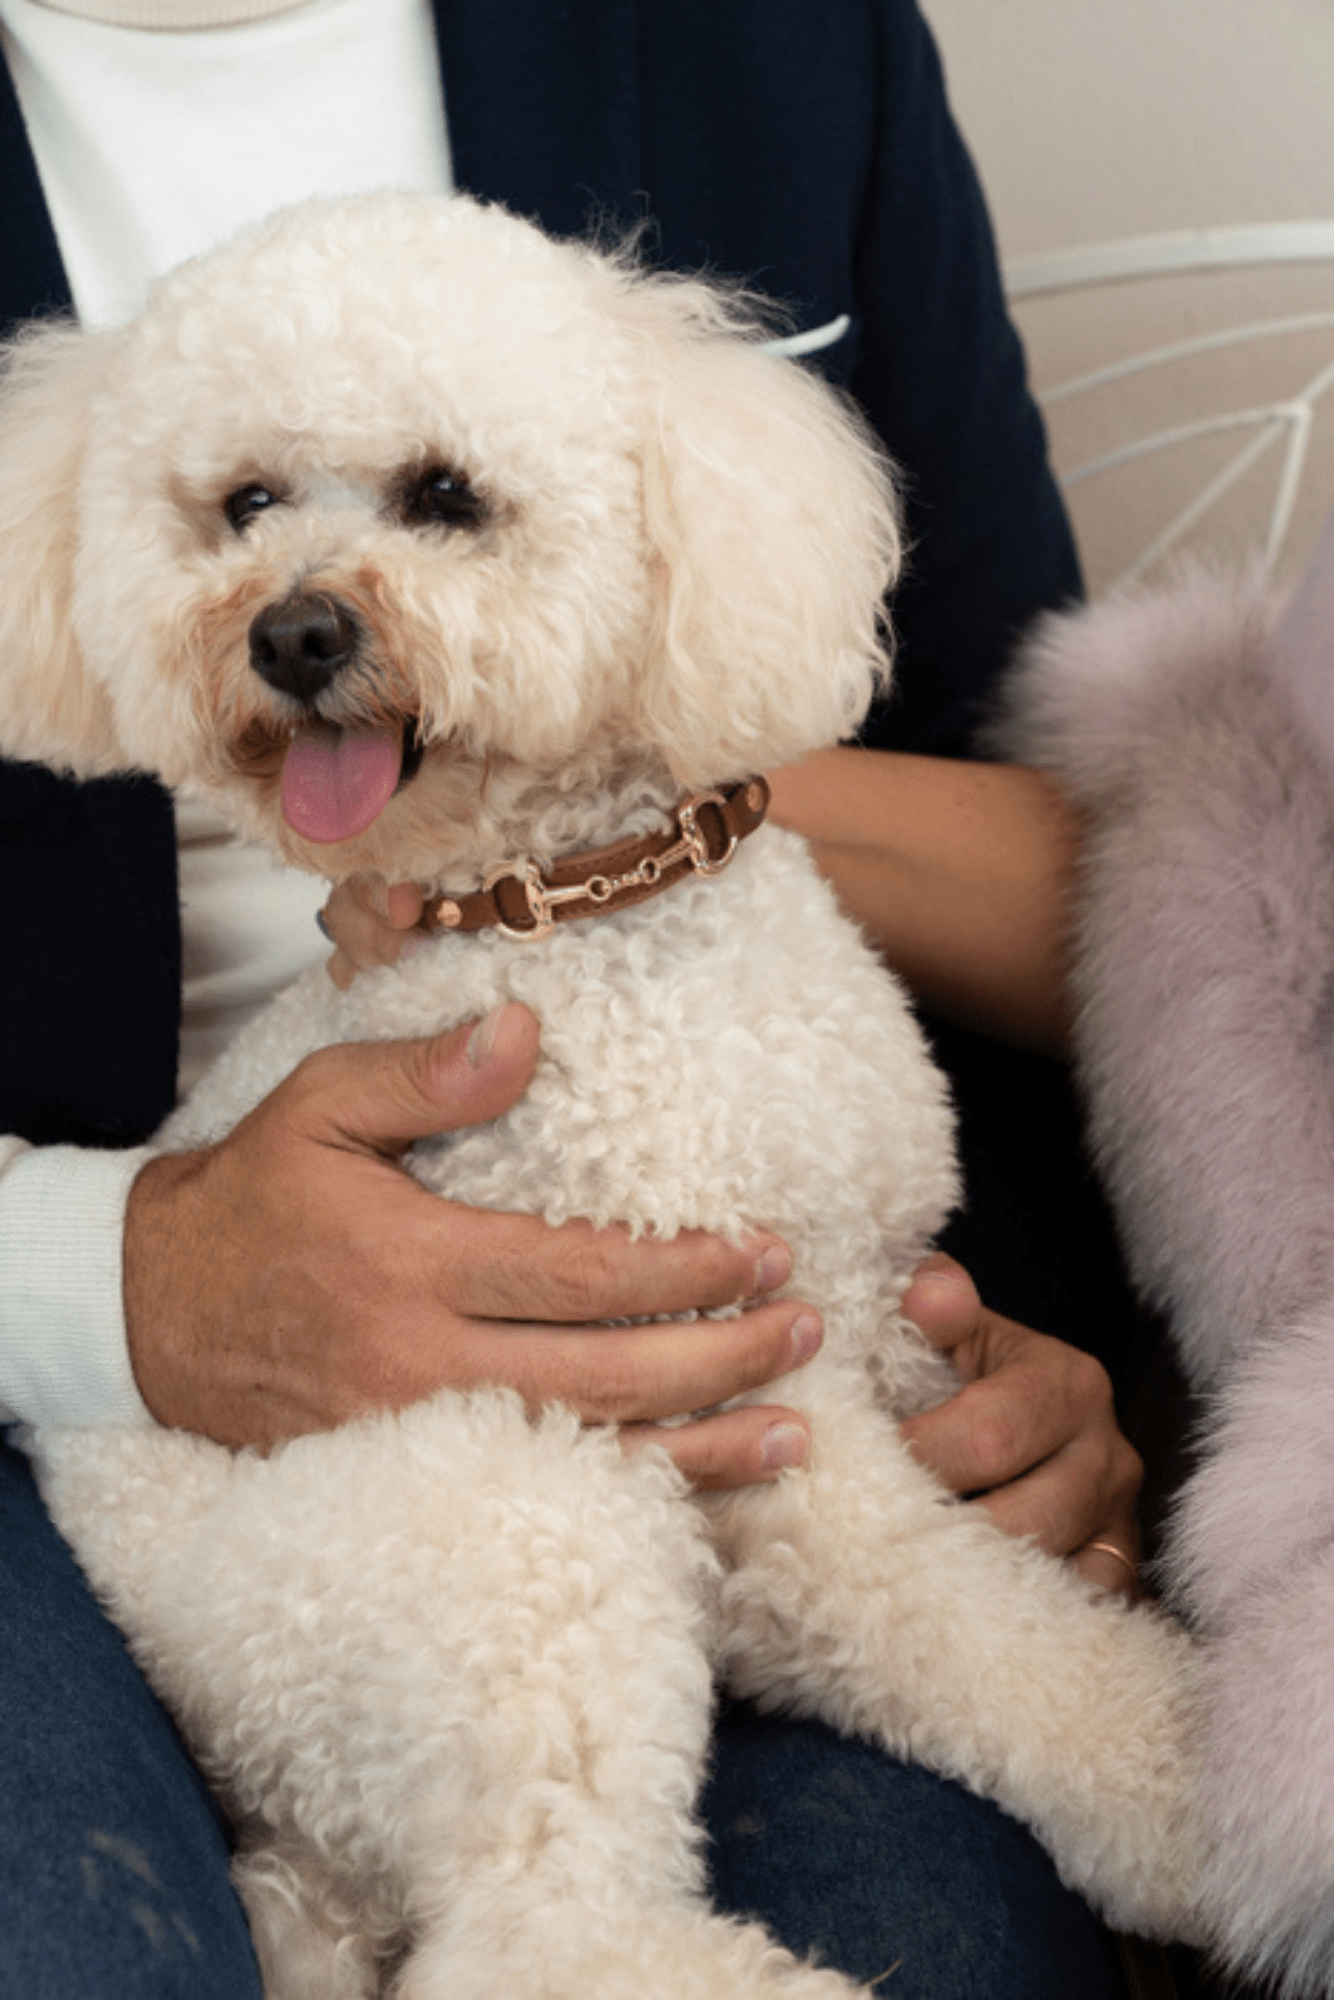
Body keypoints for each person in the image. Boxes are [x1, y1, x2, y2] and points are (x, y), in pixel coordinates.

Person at [0, 1, 1144, 1993]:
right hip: (67, 1414)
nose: (308, 598)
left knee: (930, 1945)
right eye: (243, 511)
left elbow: (1057, 818)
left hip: (728, 1365)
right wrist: (110, 1279)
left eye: (442, 502)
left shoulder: (790, 42)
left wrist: (1000, 1352)